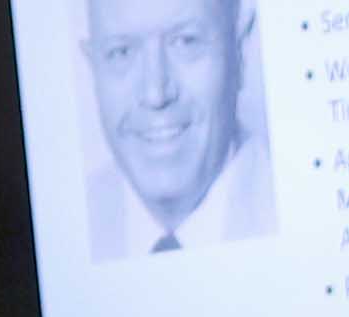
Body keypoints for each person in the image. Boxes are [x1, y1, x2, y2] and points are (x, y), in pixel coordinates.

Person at [79, 0, 272, 255]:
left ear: (241, 52)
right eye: (121, 51)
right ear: (94, 67)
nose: (155, 94)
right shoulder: (65, 233)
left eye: (186, 41)